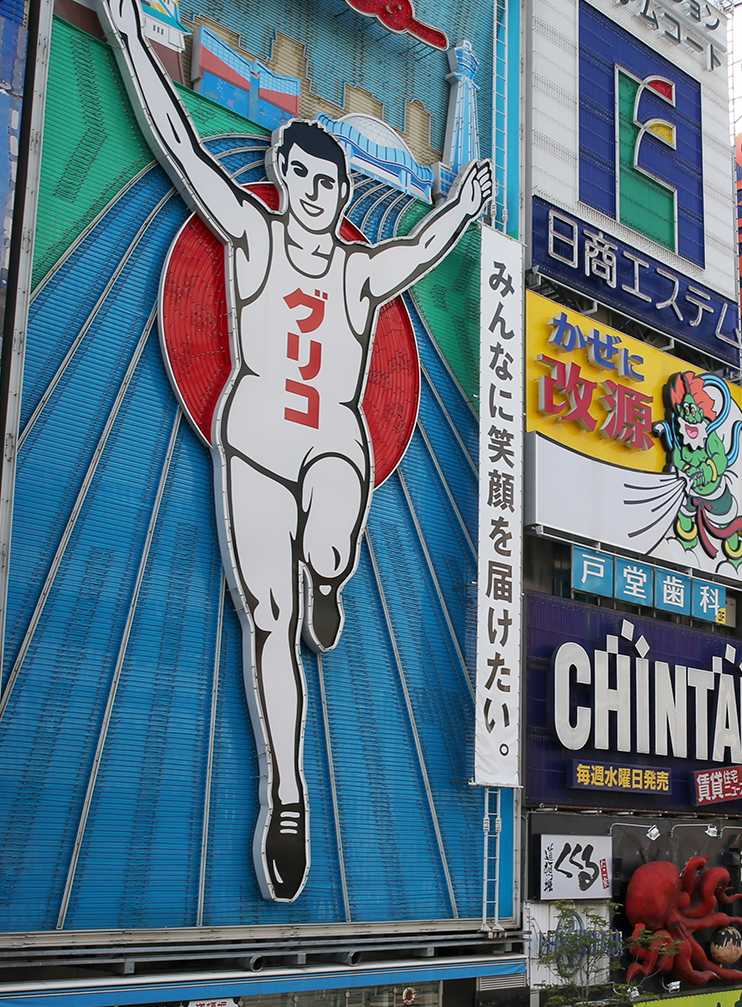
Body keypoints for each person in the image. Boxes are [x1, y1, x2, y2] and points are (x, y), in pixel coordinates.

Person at [99, 0, 494, 902]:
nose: (318, 195)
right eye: (307, 178)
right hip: (252, 446)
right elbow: (186, 151)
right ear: (284, 173)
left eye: (332, 186)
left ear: (343, 195)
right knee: (266, 627)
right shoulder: (250, 235)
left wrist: (466, 209)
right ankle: (286, 793)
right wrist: (126, 37)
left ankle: (330, 575)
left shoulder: (357, 274)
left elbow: (420, 251)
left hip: (330, 446)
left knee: (326, 539)